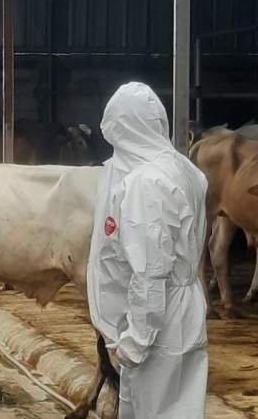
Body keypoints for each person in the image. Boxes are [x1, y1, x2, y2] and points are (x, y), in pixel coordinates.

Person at [86, 82, 209, 419]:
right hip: (184, 308)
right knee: (182, 407)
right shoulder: (184, 168)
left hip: (157, 323)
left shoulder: (146, 183)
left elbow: (150, 271)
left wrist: (136, 340)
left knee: (151, 408)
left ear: (121, 128)